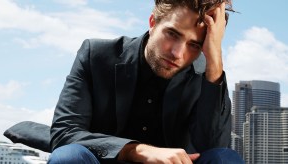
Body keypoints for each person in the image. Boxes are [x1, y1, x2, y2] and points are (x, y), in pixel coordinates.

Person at [48, 0, 244, 163]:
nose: (178, 53)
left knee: (225, 159)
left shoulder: (205, 76)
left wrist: (215, 60)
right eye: (173, 34)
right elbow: (64, 133)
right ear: (152, 22)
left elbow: (214, 149)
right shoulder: (97, 56)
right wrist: (136, 150)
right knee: (68, 157)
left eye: (194, 45)